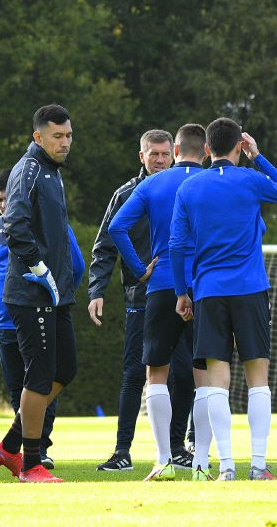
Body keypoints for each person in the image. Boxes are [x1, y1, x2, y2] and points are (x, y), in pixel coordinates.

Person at [170, 118, 277, 482]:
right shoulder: (252, 180)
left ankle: (226, 466)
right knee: (258, 379)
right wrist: (258, 157)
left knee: (216, 380)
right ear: (239, 147)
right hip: (251, 289)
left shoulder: (191, 187)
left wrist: (182, 291)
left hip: (209, 292)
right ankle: (258, 466)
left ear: (207, 149)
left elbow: (177, 245)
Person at [0, 104, 82, 484]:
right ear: (38, 136)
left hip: (55, 295)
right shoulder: (26, 169)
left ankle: (10, 445)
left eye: (69, 135)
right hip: (31, 293)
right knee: (40, 376)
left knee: (66, 369)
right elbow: (14, 223)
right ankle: (30, 464)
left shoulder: (52, 173)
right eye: (57, 136)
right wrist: (38, 268)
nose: (65, 143)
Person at [109, 123, 206, 480]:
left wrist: (138, 269)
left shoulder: (151, 184)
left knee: (156, 374)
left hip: (163, 282)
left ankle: (164, 459)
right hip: (207, 286)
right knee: (208, 373)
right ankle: (203, 462)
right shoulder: (214, 183)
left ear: (176, 151)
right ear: (205, 151)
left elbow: (116, 228)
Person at [87, 129, 179, 472]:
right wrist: (96, 291)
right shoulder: (126, 194)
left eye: (164, 154)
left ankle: (177, 448)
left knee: (183, 373)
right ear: (140, 156)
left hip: (182, 295)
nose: (159, 160)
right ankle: (122, 452)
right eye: (152, 154)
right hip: (140, 297)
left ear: (174, 154)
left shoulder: (186, 189)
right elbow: (104, 247)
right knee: (133, 373)